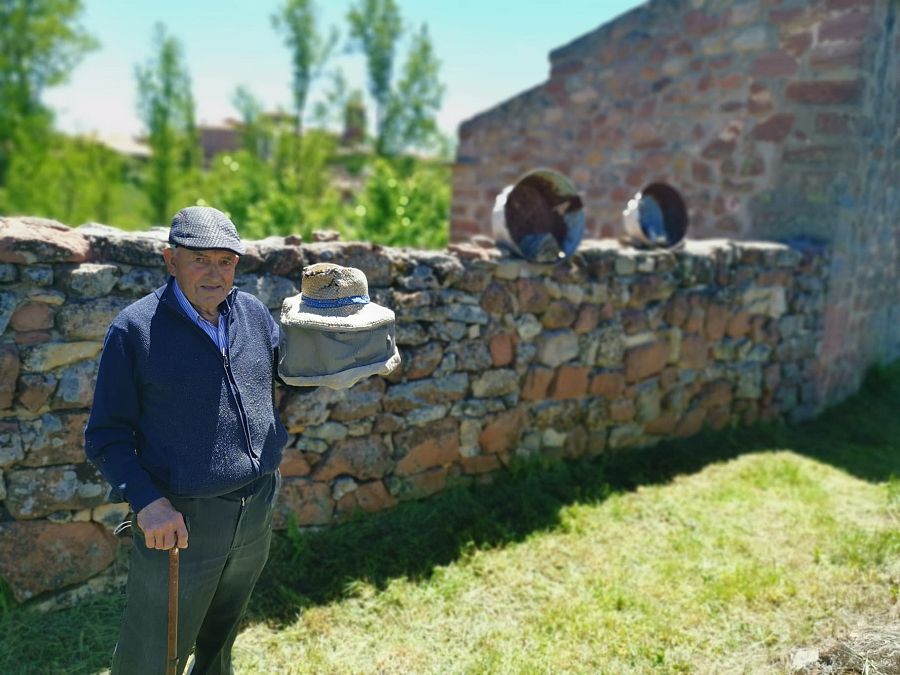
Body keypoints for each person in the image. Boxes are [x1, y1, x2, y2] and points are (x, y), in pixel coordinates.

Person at [85, 206, 289, 675]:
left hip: (255, 507)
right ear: (170, 258)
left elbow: (288, 377)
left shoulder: (254, 315)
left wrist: (347, 352)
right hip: (179, 520)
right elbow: (105, 435)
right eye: (200, 259)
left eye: (226, 260)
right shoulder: (135, 329)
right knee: (153, 650)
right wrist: (146, 502)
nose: (215, 273)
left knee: (221, 637)